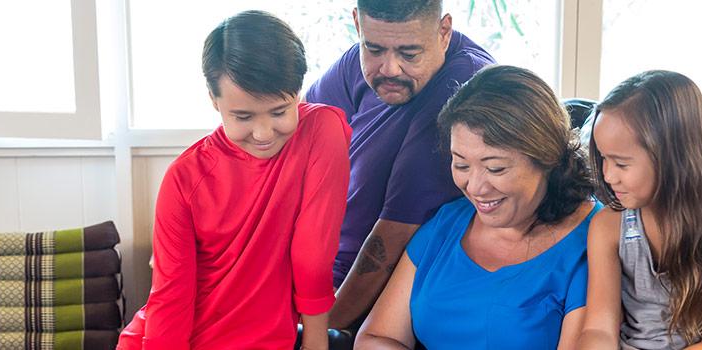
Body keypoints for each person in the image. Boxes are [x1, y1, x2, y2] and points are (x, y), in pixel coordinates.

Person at [117, 11, 350, 349]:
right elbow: (170, 299)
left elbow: (313, 257)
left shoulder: (320, 131)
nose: (264, 133)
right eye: (242, 116)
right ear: (214, 100)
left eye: (279, 111)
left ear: (298, 91)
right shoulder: (184, 180)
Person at [355, 65, 598, 349]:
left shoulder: (593, 240)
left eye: (495, 168)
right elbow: (376, 338)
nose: (475, 187)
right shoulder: (448, 223)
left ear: (548, 159)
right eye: (461, 164)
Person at [303, 0, 495, 332]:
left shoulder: (462, 87)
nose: (389, 68)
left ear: (443, 32)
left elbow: (393, 236)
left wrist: (319, 332)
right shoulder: (360, 60)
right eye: (374, 49)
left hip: (376, 298)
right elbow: (301, 142)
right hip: (314, 268)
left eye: (409, 54)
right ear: (358, 26)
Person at [578, 70, 702, 350]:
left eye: (621, 164)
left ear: (672, 156)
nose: (608, 175)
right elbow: (599, 328)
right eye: (604, 159)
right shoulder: (608, 226)